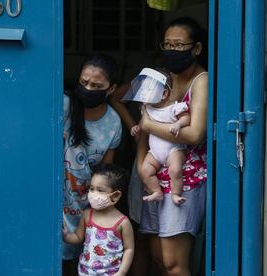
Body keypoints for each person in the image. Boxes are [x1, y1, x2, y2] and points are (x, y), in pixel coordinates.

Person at [136, 17, 208, 275]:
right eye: (167, 44)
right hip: (154, 177)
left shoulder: (201, 80)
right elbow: (142, 116)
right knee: (157, 256)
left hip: (184, 179)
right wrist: (140, 164)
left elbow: (195, 134)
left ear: (196, 48)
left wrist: (147, 124)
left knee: (173, 264)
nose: (172, 50)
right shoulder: (163, 78)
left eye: (178, 45)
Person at [63, 54, 122, 275]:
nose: (88, 88)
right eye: (84, 82)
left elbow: (105, 172)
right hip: (53, 199)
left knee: (79, 262)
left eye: (96, 85)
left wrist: (100, 209)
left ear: (111, 89)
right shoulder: (64, 105)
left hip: (85, 206)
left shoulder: (114, 122)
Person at [127, 68, 190, 205]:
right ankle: (156, 191)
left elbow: (186, 118)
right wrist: (137, 127)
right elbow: (144, 124)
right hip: (154, 152)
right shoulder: (148, 109)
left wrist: (178, 124)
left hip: (174, 150)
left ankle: (175, 194)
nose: (144, 94)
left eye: (148, 90)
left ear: (164, 94)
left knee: (175, 170)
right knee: (144, 170)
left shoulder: (174, 107)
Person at [63, 164, 135, 276]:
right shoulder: (87, 215)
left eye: (100, 190)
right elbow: (78, 237)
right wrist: (66, 236)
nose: (93, 194)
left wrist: (122, 272)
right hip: (85, 272)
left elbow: (129, 249)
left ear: (115, 196)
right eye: (91, 188)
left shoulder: (123, 223)